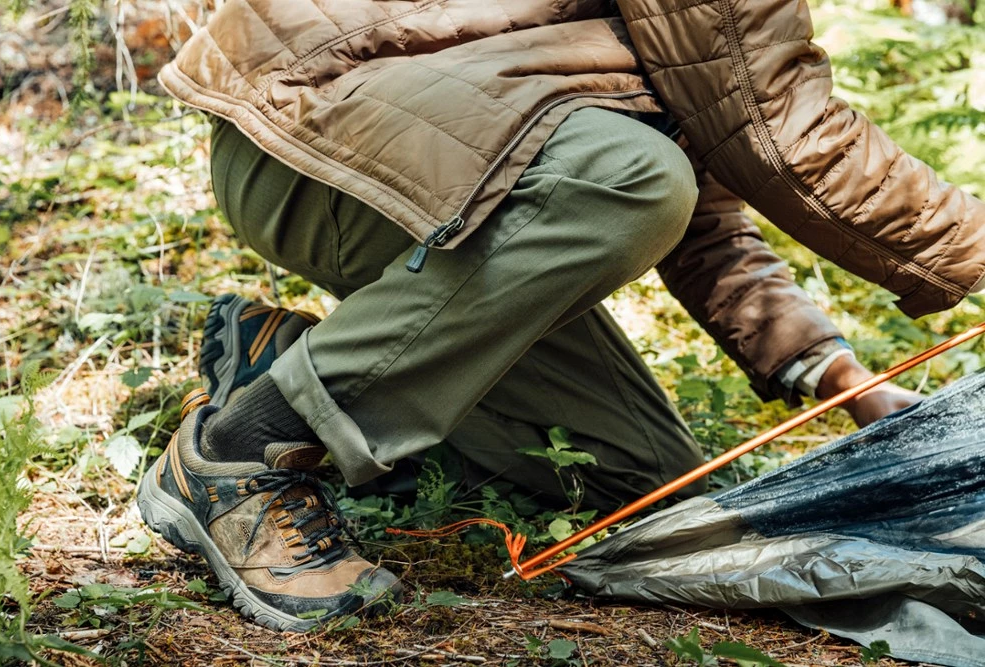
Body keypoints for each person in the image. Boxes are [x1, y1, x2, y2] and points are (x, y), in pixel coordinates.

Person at [137, 0, 985, 632]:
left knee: (651, 488)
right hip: (308, 138)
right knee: (633, 179)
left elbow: (713, 197)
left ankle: (288, 359)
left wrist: (846, 379)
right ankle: (243, 450)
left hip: (415, 157)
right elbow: (785, 135)